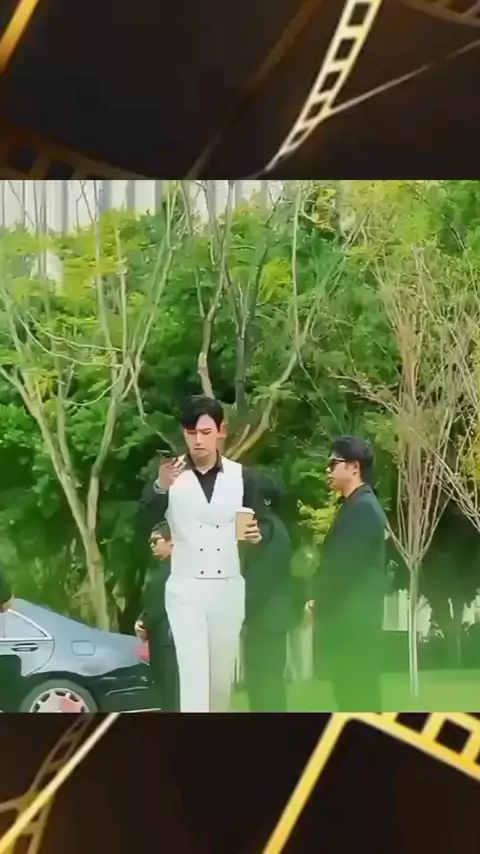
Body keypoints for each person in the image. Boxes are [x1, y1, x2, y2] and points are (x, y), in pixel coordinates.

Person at [141, 395, 262, 713]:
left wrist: (255, 536)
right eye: (191, 433)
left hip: (228, 586)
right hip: (186, 587)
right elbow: (144, 515)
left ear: (221, 431)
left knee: (221, 682)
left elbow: (257, 525)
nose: (198, 440)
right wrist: (160, 486)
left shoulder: (242, 476)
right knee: (193, 678)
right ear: (184, 433)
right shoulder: (171, 475)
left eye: (206, 432)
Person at [313, 435, 388, 711]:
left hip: (355, 623)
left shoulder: (363, 508)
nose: (328, 469)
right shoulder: (355, 505)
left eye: (333, 463)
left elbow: (342, 568)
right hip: (350, 622)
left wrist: (316, 601)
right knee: (349, 695)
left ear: (354, 467)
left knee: (358, 698)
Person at [242, 473, 297, 712]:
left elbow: (259, 579)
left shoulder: (266, 529)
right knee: (269, 685)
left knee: (263, 688)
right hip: (272, 620)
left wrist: (240, 611)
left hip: (263, 620)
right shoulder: (277, 526)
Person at [135, 525, 179, 711]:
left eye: (156, 540)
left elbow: (159, 605)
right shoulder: (165, 569)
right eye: (150, 542)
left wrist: (143, 623)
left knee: (171, 696)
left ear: (172, 541)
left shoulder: (173, 571)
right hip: (166, 641)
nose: (152, 545)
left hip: (168, 643)